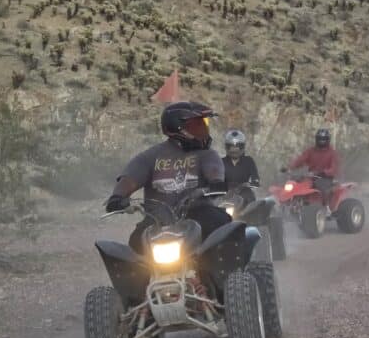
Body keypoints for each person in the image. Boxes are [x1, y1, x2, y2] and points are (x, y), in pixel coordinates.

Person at [105, 101, 228, 253]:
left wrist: (214, 185)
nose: (203, 130)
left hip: (199, 213)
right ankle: (142, 277)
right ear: (178, 128)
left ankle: (232, 276)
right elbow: (130, 179)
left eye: (204, 125)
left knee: (223, 225)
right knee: (135, 242)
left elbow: (215, 172)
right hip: (157, 220)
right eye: (197, 126)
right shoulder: (151, 156)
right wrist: (117, 198)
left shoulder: (207, 155)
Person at [282, 128, 339, 206]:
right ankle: (289, 203)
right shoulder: (311, 151)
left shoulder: (332, 153)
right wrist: (289, 167)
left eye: (323, 139)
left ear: (327, 140)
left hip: (325, 178)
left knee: (321, 187)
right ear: (316, 139)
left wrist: (325, 172)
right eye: (320, 139)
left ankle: (326, 209)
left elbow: (334, 168)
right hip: (311, 176)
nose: (321, 141)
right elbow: (300, 160)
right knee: (295, 183)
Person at [222, 129, 260, 204]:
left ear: (242, 147)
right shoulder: (221, 162)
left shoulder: (249, 161)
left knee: (252, 206)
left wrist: (251, 183)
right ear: (227, 147)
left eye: (238, 146)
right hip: (225, 194)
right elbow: (215, 179)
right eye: (231, 146)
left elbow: (255, 178)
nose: (235, 149)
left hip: (245, 193)